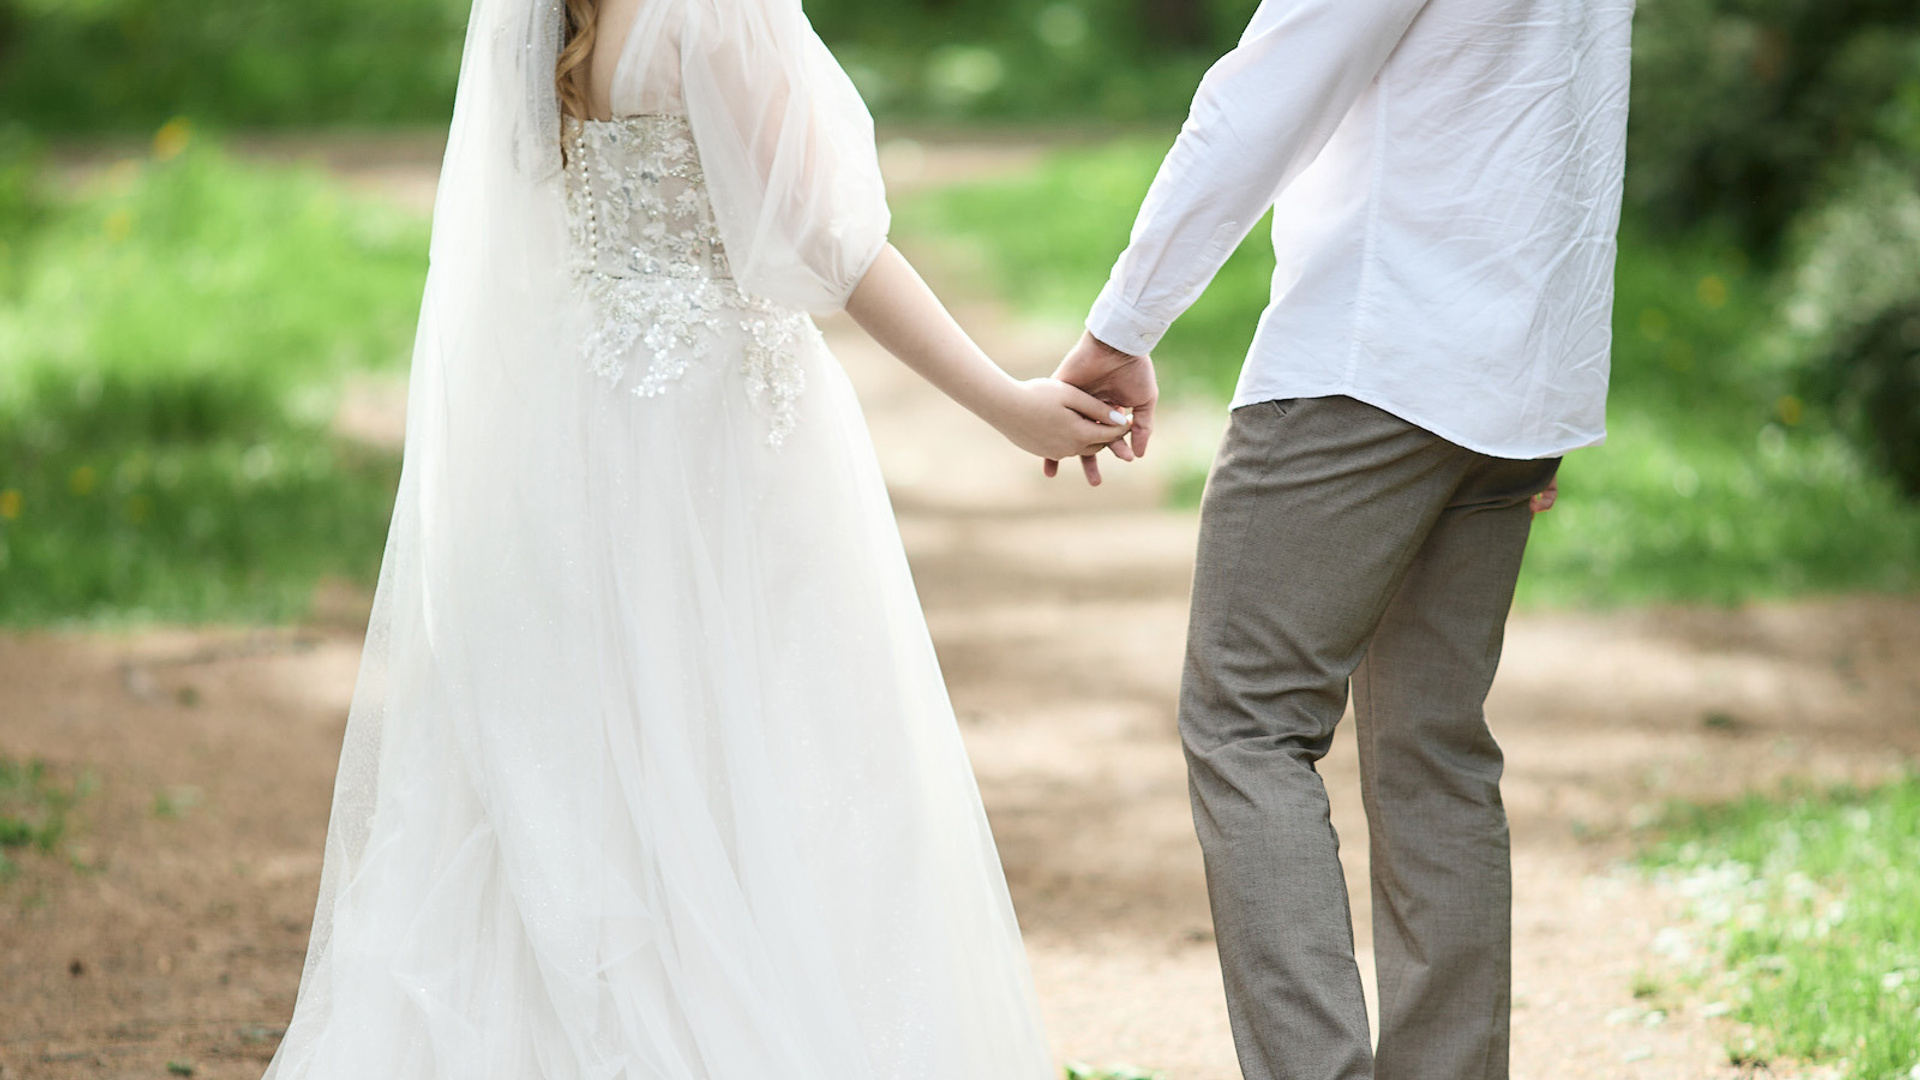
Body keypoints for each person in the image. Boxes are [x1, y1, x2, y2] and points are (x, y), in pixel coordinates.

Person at [260, 0, 1125, 1074]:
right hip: (718, 425)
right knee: (756, 738)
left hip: (578, 411)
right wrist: (1005, 402)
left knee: (594, 747)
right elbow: (828, 245)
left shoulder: (551, 16)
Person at [1049, 1, 1634, 1078]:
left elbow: (1266, 95)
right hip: (1507, 374)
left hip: (1369, 360)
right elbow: (1571, 115)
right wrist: (1537, 380)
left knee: (1247, 723)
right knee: (1434, 752)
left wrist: (1122, 324)